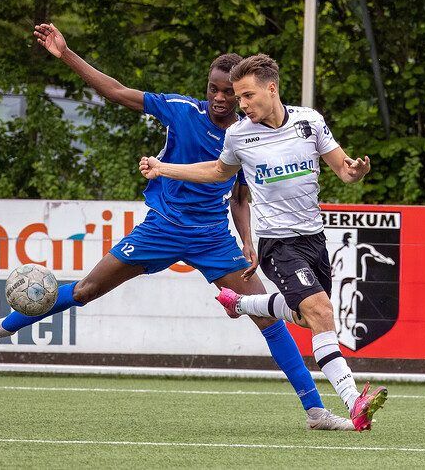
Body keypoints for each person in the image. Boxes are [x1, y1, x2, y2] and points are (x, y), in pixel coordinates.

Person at [0, 24, 354, 431]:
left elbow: (238, 196)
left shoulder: (249, 135)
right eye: (213, 88)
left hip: (213, 238)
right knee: (87, 290)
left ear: (243, 95)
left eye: (229, 92)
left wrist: (247, 243)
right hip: (160, 228)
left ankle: (315, 411)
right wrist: (66, 53)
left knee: (268, 318)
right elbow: (116, 91)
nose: (219, 97)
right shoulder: (182, 110)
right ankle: (1, 326)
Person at [138, 53, 387, 431]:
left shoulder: (309, 122)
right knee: (320, 311)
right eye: (238, 98)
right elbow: (218, 172)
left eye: (247, 96)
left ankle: (242, 302)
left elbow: (342, 168)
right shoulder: (239, 134)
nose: (241, 105)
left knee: (307, 317)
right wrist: (163, 168)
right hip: (277, 244)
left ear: (272, 89)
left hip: (314, 240)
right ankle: (354, 401)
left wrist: (355, 171)